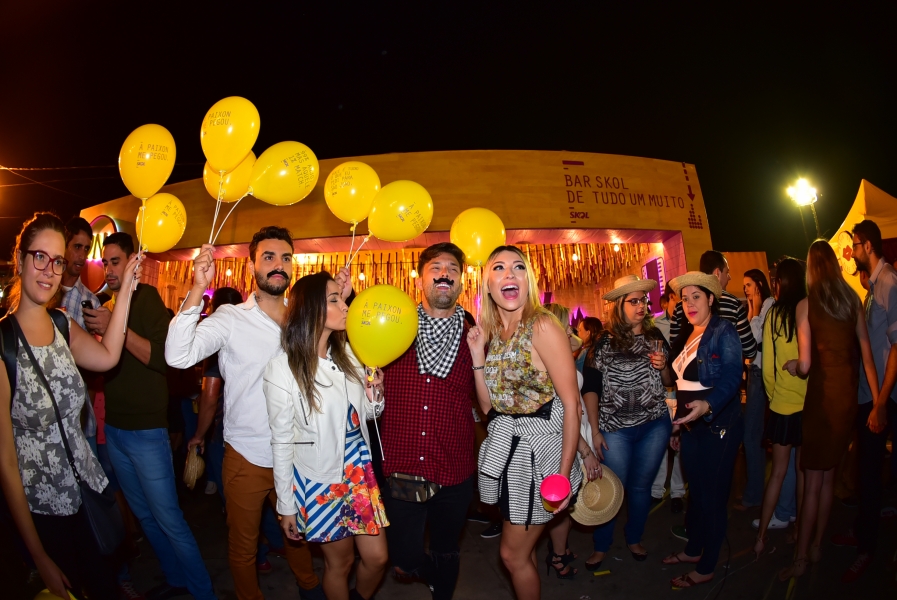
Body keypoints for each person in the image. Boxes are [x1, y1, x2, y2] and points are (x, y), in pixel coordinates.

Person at [166, 227, 325, 600]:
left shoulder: (303, 320)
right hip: (247, 455)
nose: (278, 265)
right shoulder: (230, 317)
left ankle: (310, 589)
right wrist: (195, 288)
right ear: (251, 264)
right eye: (268, 257)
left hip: (298, 454)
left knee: (298, 536)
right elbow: (177, 355)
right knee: (243, 546)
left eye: (285, 258)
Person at [0, 213, 140, 600]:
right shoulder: (3, 343)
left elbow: (109, 355)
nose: (49, 270)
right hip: (46, 514)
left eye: (58, 261)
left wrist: (126, 287)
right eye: (39, 257)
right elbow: (6, 462)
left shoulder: (63, 324)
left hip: (88, 495)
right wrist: (38, 554)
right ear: (20, 259)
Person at [81, 232, 215, 600]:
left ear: (132, 263)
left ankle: (203, 591)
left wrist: (115, 328)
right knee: (145, 517)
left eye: (116, 262)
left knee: (170, 519)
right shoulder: (106, 303)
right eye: (105, 262)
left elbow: (162, 359)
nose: (108, 270)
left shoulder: (147, 298)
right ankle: (176, 580)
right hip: (117, 429)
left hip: (147, 430)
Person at [265, 271, 389, 600]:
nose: (345, 305)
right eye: (334, 299)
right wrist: (286, 506)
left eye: (342, 297)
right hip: (321, 479)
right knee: (341, 563)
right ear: (312, 311)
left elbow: (368, 415)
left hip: (359, 470)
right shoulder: (283, 368)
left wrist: (376, 396)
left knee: (378, 559)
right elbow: (280, 443)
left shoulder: (349, 355)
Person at [467, 245, 582, 600]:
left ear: (527, 279)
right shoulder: (497, 334)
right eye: (498, 268)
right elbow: (489, 408)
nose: (509, 274)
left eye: (518, 267)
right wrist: (476, 355)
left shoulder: (541, 324)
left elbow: (571, 403)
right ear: (487, 284)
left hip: (542, 458)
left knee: (511, 554)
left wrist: (562, 474)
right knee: (524, 552)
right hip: (513, 458)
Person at [379, 242, 476, 599]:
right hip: (403, 464)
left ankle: (443, 589)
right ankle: (432, 573)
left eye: (453, 268)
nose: (444, 273)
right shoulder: (395, 326)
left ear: (462, 282)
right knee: (403, 558)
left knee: (447, 549)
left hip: (453, 465)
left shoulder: (474, 334)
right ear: (421, 278)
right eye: (436, 267)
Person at [778, 240, 879, 581]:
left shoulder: (806, 306)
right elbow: (867, 357)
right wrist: (878, 404)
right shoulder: (852, 301)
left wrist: (793, 364)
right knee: (830, 475)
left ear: (811, 268)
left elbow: (806, 366)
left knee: (813, 481)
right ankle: (818, 545)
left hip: (820, 399)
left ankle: (801, 559)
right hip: (847, 398)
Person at [582, 275, 672, 571]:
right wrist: (595, 431)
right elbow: (591, 390)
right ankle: (601, 546)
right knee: (611, 488)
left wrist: (663, 368)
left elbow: (669, 383)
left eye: (643, 300)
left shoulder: (656, 337)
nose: (641, 306)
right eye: (633, 301)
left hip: (653, 425)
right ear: (619, 306)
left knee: (641, 487)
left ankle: (634, 537)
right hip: (615, 429)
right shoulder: (603, 343)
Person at [663, 272, 745, 589]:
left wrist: (706, 406)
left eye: (696, 296)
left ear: (711, 298)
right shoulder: (689, 334)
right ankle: (694, 550)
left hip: (718, 426)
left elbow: (731, 376)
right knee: (696, 494)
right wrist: (678, 424)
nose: (689, 303)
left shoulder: (723, 331)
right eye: (685, 298)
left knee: (711, 499)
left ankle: (707, 565)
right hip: (692, 428)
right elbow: (679, 385)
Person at [836, 220, 897, 582]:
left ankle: (868, 549)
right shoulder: (874, 285)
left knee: (872, 472)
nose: (852, 251)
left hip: (883, 398)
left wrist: (880, 403)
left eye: (855, 245)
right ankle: (862, 533)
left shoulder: (889, 282)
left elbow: (895, 350)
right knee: (866, 469)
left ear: (869, 246)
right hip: (870, 395)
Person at [541, 303, 602, 578]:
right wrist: (585, 450)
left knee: (564, 502)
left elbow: (576, 340)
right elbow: (563, 415)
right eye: (565, 323)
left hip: (576, 433)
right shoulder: (550, 361)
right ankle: (557, 556)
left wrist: (563, 335)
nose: (571, 329)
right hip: (567, 439)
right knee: (561, 505)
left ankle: (560, 550)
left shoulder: (558, 351)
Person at [753, 258, 807, 556]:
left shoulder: (773, 314)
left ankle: (760, 536)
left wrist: (775, 399)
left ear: (780, 283)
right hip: (806, 404)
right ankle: (799, 530)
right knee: (802, 473)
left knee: (777, 472)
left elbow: (770, 366)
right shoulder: (808, 309)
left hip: (783, 405)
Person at [670, 250, 757, 360]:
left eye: (696, 297)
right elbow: (750, 350)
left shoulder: (678, 307)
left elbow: (674, 348)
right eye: (727, 272)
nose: (729, 277)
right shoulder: (733, 303)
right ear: (717, 273)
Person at [736, 269, 775, 511]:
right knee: (753, 435)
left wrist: (754, 310)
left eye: (749, 285)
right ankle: (755, 492)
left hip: (760, 375)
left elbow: (753, 339)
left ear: (760, 285)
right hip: (754, 374)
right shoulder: (757, 308)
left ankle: (754, 495)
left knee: (751, 435)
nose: (746, 290)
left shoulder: (769, 304)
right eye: (745, 286)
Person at [650, 286, 686, 514]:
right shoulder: (656, 327)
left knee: (681, 441)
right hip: (665, 391)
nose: (682, 303)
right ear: (668, 299)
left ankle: (678, 492)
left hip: (684, 390)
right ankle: (656, 490)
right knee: (662, 440)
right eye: (678, 298)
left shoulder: (689, 325)